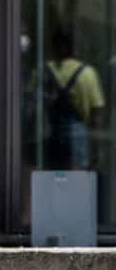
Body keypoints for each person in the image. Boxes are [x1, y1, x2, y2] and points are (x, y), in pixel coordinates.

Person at [45, 25, 105, 170]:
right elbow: (96, 119)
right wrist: (97, 152)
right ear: (72, 46)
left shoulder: (43, 71)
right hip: (77, 143)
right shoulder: (88, 74)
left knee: (51, 186)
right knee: (77, 187)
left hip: (49, 140)